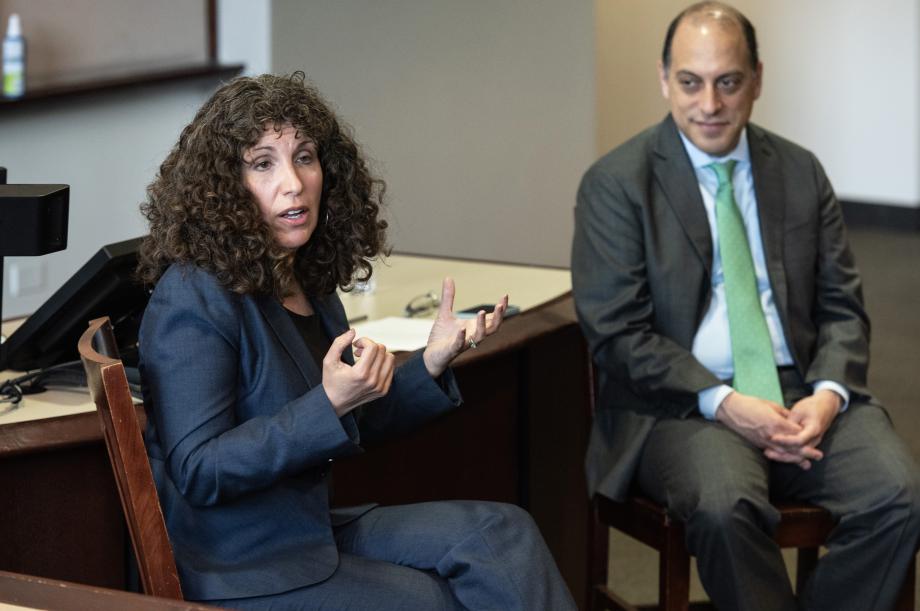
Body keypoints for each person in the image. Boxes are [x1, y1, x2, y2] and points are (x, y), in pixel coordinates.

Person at [136, 72, 575, 611]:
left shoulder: (307, 281)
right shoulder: (192, 295)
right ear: (224, 186)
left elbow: (352, 418)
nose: (294, 183)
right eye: (263, 163)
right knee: (432, 601)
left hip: (310, 531)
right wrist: (329, 403)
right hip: (240, 564)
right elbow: (200, 470)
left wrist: (431, 363)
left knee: (503, 534)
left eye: (305, 156)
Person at [572, 3, 920, 610]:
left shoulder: (799, 171)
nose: (709, 104)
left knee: (899, 496)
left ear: (756, 78)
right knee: (724, 506)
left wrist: (828, 394)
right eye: (690, 82)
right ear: (664, 79)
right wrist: (726, 403)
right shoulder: (617, 183)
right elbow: (618, 335)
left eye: (728, 82)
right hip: (682, 406)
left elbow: (843, 306)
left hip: (800, 391)